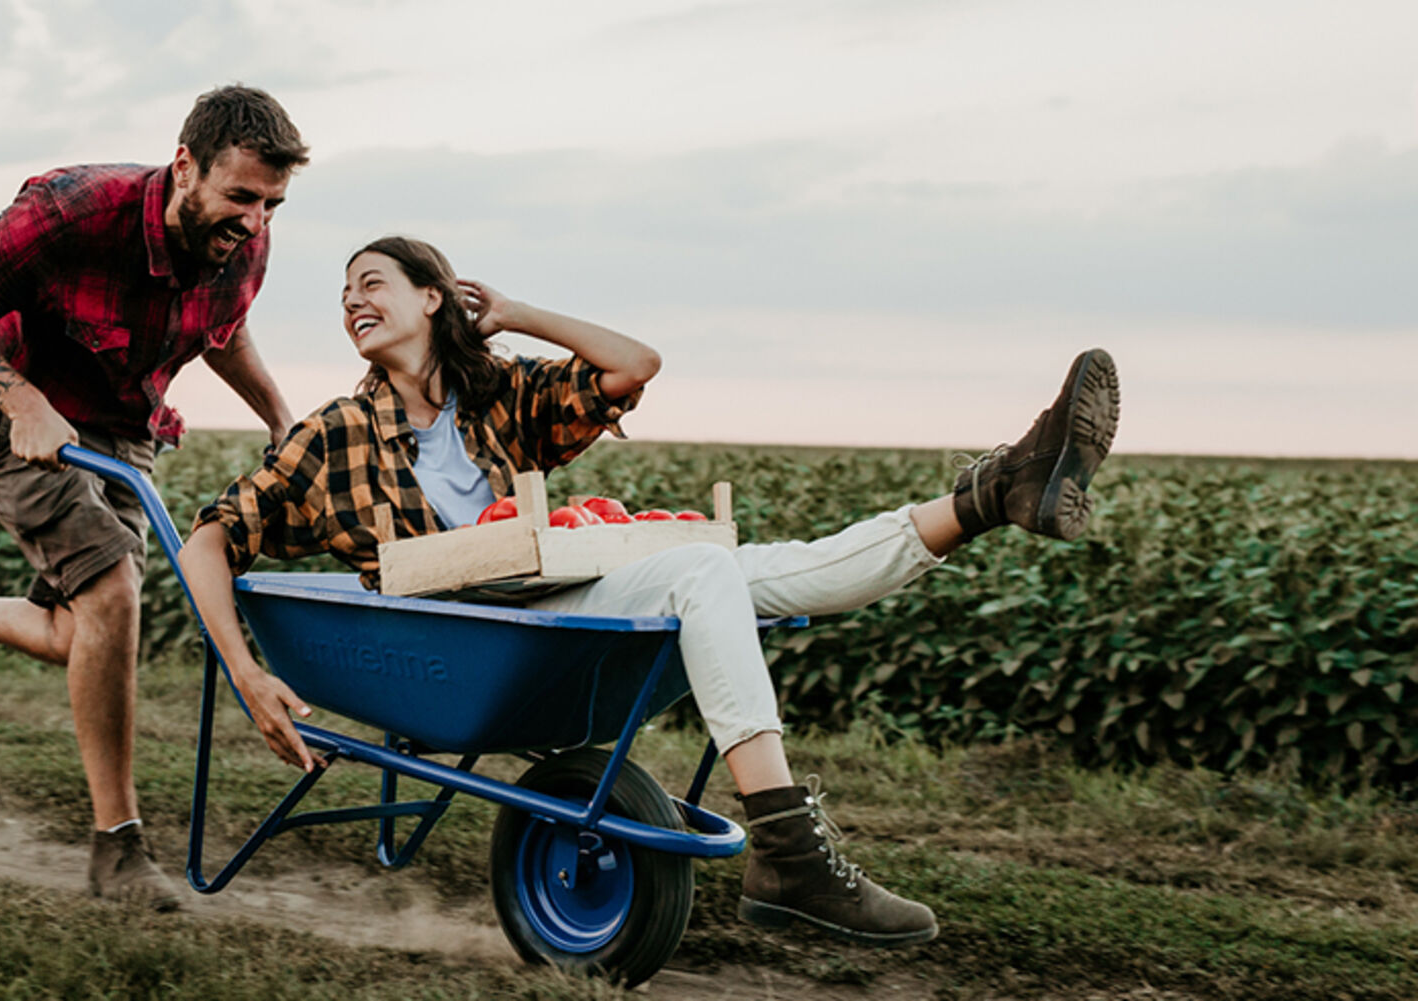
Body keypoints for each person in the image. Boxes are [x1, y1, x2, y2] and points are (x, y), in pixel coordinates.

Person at [180, 236, 1120, 946]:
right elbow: (211, 538)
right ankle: (788, 849)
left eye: (372, 282)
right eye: (343, 294)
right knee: (709, 570)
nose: (352, 301)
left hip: (539, 622)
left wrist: (510, 311)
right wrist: (250, 672)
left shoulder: (498, 395)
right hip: (470, 636)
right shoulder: (332, 431)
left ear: (436, 297)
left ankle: (992, 493)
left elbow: (632, 364)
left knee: (775, 568)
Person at [0, 84, 309, 911]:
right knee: (113, 592)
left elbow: (218, 329)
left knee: (86, 630)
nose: (256, 221)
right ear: (185, 164)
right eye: (241, 197)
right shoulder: (72, 210)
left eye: (273, 203)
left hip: (124, 427)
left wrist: (281, 418)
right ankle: (116, 847)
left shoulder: (246, 241)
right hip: (14, 414)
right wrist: (21, 401)